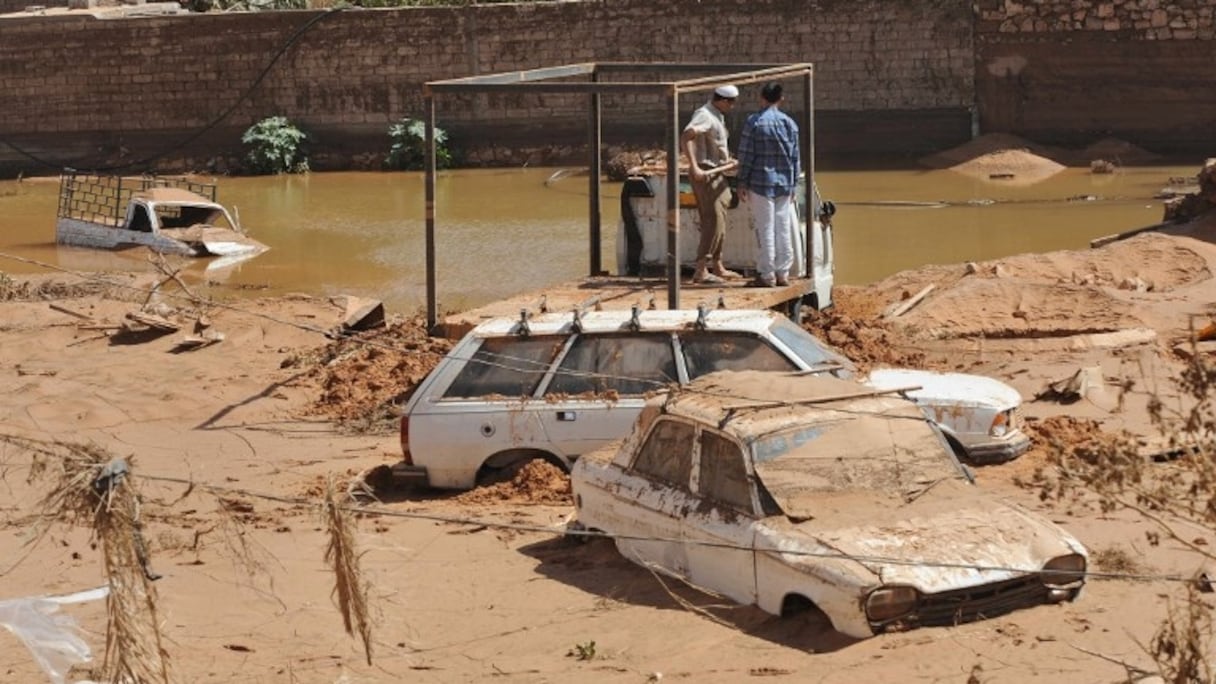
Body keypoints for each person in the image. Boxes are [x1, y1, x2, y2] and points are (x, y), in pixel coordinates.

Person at [736, 81, 800, 288]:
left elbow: (746, 155)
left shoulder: (754, 122)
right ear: (781, 99)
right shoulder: (790, 124)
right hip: (784, 184)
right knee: (783, 228)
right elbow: (795, 158)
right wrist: (793, 184)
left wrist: (742, 181)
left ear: (761, 98)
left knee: (765, 229)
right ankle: (783, 273)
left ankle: (767, 275)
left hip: (760, 183)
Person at [680, 84, 742, 284]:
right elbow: (687, 135)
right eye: (731, 103)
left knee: (721, 218)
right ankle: (701, 269)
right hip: (706, 173)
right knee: (712, 220)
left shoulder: (717, 115)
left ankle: (718, 265)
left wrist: (728, 162)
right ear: (723, 101)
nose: (732, 107)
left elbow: (715, 145)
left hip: (717, 172)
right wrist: (694, 167)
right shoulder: (705, 114)